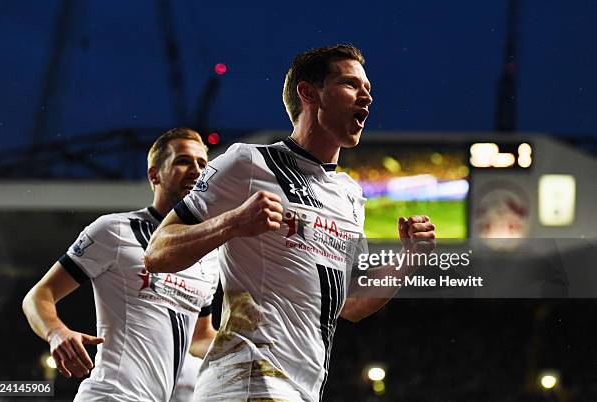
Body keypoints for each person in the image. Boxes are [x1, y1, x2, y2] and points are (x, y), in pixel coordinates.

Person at [145, 45, 436, 401]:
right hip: (247, 379)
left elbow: (352, 305)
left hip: (301, 388)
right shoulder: (247, 162)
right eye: (351, 84)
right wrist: (232, 223)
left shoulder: (348, 195)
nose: (367, 97)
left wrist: (408, 258)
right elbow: (157, 252)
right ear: (309, 93)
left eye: (369, 89)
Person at [22, 128, 219, 402]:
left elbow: (200, 337)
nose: (196, 170)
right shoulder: (115, 230)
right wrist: (57, 333)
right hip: (110, 396)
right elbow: (38, 296)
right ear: (154, 175)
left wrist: (250, 350)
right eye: (183, 161)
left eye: (202, 163)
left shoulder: (208, 254)